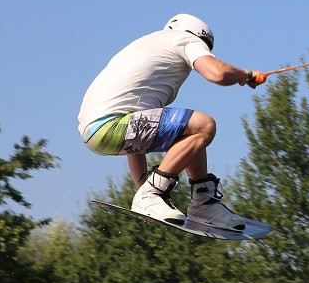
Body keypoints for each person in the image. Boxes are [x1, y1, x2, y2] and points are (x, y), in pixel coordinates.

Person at [78, 14, 265, 231]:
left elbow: (135, 143)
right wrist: (246, 74)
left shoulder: (144, 49)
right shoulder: (185, 39)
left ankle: (189, 201)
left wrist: (144, 196)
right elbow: (217, 74)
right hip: (112, 124)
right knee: (204, 125)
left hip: (96, 132)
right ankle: (189, 202)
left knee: (189, 128)